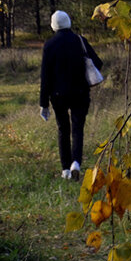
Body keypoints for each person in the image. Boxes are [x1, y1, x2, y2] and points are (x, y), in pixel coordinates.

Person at [39, 10, 103, 181]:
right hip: (80, 93)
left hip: (58, 95)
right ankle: (76, 162)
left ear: (53, 25)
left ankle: (65, 169)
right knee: (77, 129)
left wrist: (43, 103)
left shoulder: (50, 45)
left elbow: (45, 76)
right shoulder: (80, 41)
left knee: (63, 129)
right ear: (68, 22)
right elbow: (98, 63)